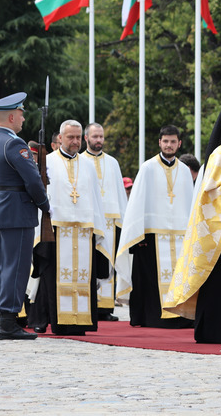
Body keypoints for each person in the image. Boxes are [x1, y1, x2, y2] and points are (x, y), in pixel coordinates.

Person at [29, 120, 109, 335]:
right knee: (49, 277)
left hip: (83, 230)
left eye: (77, 137)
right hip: (55, 230)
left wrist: (97, 227)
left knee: (82, 277)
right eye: (70, 137)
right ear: (60, 139)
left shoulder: (88, 165)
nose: (74, 141)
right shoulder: (48, 162)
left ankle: (78, 322)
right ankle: (45, 319)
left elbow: (95, 199)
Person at [165, 102, 221, 343]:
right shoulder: (219, 155)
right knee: (216, 281)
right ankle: (215, 329)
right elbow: (213, 194)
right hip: (219, 230)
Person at [0, 92, 49, 340]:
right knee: (17, 267)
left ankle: (1, 319)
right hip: (17, 211)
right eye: (21, 112)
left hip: (1, 209)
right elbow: (32, 178)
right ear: (11, 116)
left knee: (4, 267)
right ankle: (8, 322)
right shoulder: (14, 143)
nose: (23, 117)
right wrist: (44, 203)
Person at [115, 125, 195, 328]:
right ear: (159, 142)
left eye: (173, 141)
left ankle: (179, 317)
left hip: (179, 235)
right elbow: (137, 204)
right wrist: (138, 234)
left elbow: (190, 204)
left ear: (179, 143)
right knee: (148, 279)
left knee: (180, 276)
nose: (169, 145)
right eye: (165, 141)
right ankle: (151, 317)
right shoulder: (148, 168)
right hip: (151, 235)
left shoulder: (185, 171)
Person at [82, 122, 128, 322]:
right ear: (86, 138)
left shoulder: (113, 163)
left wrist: (123, 221)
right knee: (88, 262)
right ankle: (89, 305)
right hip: (88, 221)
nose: (99, 140)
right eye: (95, 137)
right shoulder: (80, 161)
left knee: (108, 261)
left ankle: (105, 308)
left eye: (101, 137)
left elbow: (119, 193)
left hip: (109, 220)